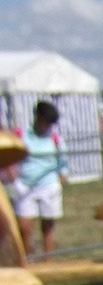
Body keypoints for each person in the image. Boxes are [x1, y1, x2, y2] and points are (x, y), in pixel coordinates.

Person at [10, 100, 67, 255]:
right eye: (45, 121)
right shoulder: (20, 135)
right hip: (25, 186)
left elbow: (62, 158)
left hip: (49, 185)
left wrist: (63, 173)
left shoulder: (55, 138)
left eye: (51, 123)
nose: (48, 126)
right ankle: (28, 260)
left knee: (48, 226)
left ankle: (48, 261)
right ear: (37, 117)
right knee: (24, 227)